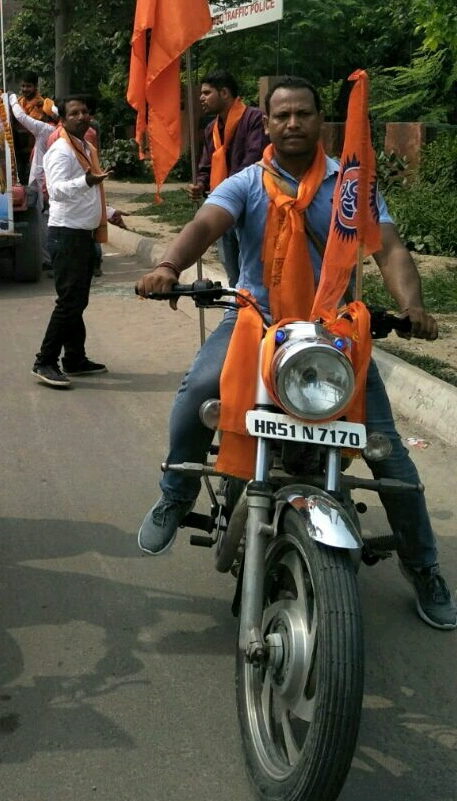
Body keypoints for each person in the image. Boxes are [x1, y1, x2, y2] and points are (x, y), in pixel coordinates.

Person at [135, 75, 456, 630]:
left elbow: (389, 248)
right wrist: (168, 265)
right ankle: (175, 492)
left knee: (389, 456)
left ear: (319, 119)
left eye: (302, 113)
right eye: (281, 115)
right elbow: (206, 224)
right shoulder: (247, 183)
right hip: (256, 321)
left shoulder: (351, 186)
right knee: (198, 392)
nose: (292, 123)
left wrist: (413, 307)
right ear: (266, 121)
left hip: (333, 333)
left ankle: (423, 565)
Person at [33, 95, 112, 389]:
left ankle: (75, 358)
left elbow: (90, 193)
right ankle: (45, 361)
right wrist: (86, 181)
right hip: (66, 234)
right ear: (63, 120)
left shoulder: (86, 147)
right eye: (74, 113)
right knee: (69, 302)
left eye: (85, 112)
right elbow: (55, 191)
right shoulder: (61, 150)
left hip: (83, 234)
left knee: (78, 299)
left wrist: (109, 211)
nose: (81, 117)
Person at [188, 70, 267, 286]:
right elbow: (206, 165)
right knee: (231, 268)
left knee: (252, 268)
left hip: (250, 205)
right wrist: (200, 184)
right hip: (224, 206)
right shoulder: (211, 129)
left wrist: (228, 189)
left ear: (224, 93)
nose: (201, 98)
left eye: (207, 93)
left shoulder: (254, 119)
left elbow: (253, 160)